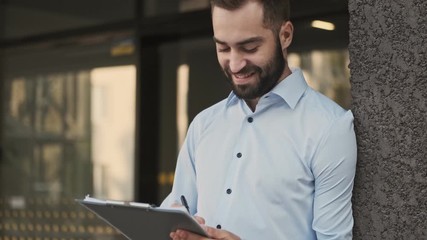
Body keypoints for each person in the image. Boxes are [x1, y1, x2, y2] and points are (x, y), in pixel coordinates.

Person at [163, 0, 357, 239]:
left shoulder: (329, 128)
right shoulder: (203, 125)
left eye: (250, 48)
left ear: (285, 35)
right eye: (223, 48)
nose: (235, 64)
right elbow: (174, 214)